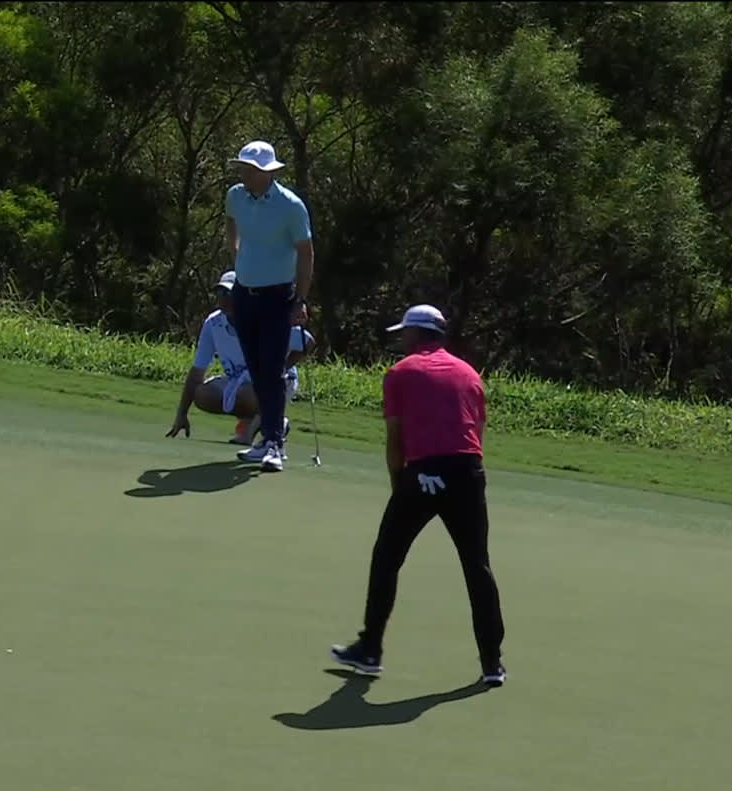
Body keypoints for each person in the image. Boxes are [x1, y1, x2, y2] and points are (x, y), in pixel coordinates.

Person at [328, 303, 506, 685]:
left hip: (423, 473)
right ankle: (492, 664)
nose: (401, 339)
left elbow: (395, 439)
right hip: (468, 472)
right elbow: (477, 434)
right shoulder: (469, 373)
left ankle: (370, 649)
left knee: (387, 557)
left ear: (415, 334)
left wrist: (401, 485)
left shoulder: (400, 373)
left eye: (404, 332)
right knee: (477, 566)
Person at [223, 139, 314, 473]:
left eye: (251, 170)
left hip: (278, 297)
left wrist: (300, 299)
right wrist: (236, 254)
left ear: (267, 173)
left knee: (272, 370)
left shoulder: (290, 205)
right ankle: (268, 437)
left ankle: (274, 442)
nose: (244, 174)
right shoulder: (235, 196)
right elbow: (230, 223)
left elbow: (306, 253)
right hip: (244, 295)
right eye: (243, 169)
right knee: (257, 369)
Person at [167, 269, 315, 446]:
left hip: (278, 381)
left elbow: (307, 342)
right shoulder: (213, 323)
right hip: (238, 381)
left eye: (229, 293)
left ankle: (266, 424)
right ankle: (259, 420)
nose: (224, 299)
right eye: (220, 293)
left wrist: (282, 366)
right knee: (202, 394)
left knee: (250, 393)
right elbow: (197, 371)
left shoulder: (262, 318)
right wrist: (181, 413)